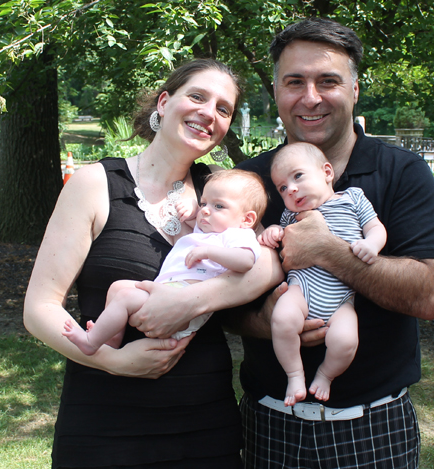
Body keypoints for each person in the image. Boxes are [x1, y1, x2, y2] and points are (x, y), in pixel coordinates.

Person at [24, 58, 283, 469]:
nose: (208, 113)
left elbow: (268, 262)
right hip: (104, 420)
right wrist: (114, 361)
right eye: (197, 96)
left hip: (204, 420)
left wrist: (194, 300)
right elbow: (39, 309)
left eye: (223, 108)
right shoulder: (94, 183)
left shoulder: (221, 187)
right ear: (164, 102)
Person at [231, 18, 434, 468]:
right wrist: (263, 319)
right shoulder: (251, 181)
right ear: (276, 90)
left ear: (353, 90)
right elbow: (217, 303)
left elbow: (430, 295)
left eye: (327, 81)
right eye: (295, 81)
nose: (310, 97)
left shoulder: (402, 173)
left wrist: (328, 251)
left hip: (373, 427)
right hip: (268, 422)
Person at [62, 169, 267, 355]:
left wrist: (209, 252)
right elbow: (195, 219)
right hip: (168, 291)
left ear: (247, 220)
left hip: (185, 306)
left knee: (125, 296)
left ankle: (91, 342)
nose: (205, 210)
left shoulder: (237, 235)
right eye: (204, 203)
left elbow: (246, 261)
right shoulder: (208, 229)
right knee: (118, 287)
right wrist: (192, 210)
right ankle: (112, 339)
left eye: (218, 206)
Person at [258, 142, 387, 406]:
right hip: (302, 288)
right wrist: (272, 231)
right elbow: (281, 236)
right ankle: (295, 375)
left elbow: (376, 227)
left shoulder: (353, 198)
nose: (291, 188)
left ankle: (325, 376)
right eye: (282, 188)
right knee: (281, 320)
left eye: (298, 176)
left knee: (346, 340)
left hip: (341, 299)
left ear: (327, 172)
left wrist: (372, 245)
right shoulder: (291, 214)